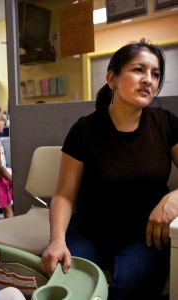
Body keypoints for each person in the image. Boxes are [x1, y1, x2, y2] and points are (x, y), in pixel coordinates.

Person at [41, 38, 178, 300]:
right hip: (89, 230)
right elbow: (64, 195)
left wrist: (174, 197)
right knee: (68, 289)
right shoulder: (84, 130)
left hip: (144, 235)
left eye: (155, 73)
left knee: (127, 292)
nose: (148, 79)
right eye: (138, 70)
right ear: (112, 79)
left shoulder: (166, 124)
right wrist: (57, 239)